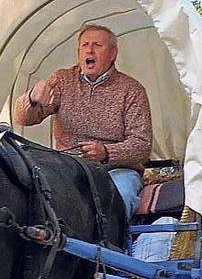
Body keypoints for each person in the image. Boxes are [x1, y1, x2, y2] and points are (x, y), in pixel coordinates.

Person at [13, 24, 153, 218]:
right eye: (84, 45)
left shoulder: (132, 90)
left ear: (113, 53)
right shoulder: (62, 80)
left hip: (117, 170)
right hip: (66, 167)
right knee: (32, 195)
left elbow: (142, 145)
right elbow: (23, 119)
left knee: (120, 197)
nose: (89, 50)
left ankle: (113, 247)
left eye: (97, 45)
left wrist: (105, 152)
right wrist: (32, 99)